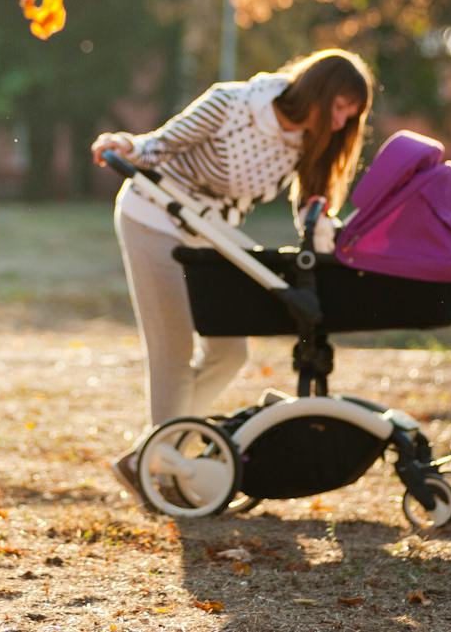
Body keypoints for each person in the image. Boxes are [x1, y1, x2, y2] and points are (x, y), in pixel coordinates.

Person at [89, 48, 374, 506]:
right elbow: (160, 144)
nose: (342, 123)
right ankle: (159, 475)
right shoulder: (234, 103)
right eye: (340, 107)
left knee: (229, 350)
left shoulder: (309, 142)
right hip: (154, 216)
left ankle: (150, 455)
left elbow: (313, 210)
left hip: (212, 232)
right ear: (318, 92)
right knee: (173, 350)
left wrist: (334, 243)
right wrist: (125, 145)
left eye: (351, 115)